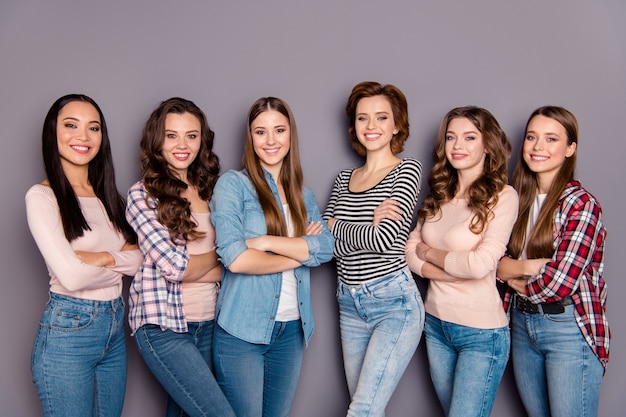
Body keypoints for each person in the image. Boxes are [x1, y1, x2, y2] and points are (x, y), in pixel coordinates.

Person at [209, 96, 334, 417]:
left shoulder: (303, 194)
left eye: (279, 130)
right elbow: (236, 259)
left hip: (292, 329)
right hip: (241, 331)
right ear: (250, 138)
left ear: (291, 134)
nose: (271, 140)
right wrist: (300, 252)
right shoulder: (233, 186)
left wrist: (264, 241)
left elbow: (326, 248)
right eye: (260, 132)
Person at [27, 94, 143, 417]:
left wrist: (101, 258)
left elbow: (141, 261)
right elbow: (73, 276)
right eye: (71, 125)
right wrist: (118, 259)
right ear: (53, 133)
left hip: (114, 328)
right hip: (69, 332)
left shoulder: (109, 197)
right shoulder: (42, 197)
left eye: (93, 127)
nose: (83, 136)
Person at [125, 97, 236, 417]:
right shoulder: (142, 194)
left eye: (192, 135)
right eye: (171, 135)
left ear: (203, 140)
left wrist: (224, 262)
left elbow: (241, 255)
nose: (182, 145)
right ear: (156, 140)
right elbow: (176, 267)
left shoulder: (215, 189)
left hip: (212, 321)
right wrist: (225, 260)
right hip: (164, 325)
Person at [497, 106, 609, 417]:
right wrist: (522, 268)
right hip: (521, 325)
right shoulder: (514, 199)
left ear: (570, 148)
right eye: (532, 137)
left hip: (567, 328)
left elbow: (560, 282)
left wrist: (509, 272)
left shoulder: (582, 205)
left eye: (551, 139)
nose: (538, 147)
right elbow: (490, 261)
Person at [406, 106, 518, 417]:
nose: (458, 146)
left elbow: (479, 265)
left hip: (481, 333)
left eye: (469, 137)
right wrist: (438, 271)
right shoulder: (440, 193)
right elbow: (408, 251)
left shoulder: (503, 196)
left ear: (488, 145)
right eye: (451, 137)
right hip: (437, 324)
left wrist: (429, 254)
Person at [323, 81, 424, 417]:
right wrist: (363, 226)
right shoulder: (342, 178)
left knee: (362, 411)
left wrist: (339, 226)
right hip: (349, 304)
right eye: (362, 118)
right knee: (366, 409)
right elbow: (324, 244)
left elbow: (386, 242)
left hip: (393, 303)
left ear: (397, 125)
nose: (371, 126)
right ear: (353, 125)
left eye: (381, 118)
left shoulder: (406, 171)